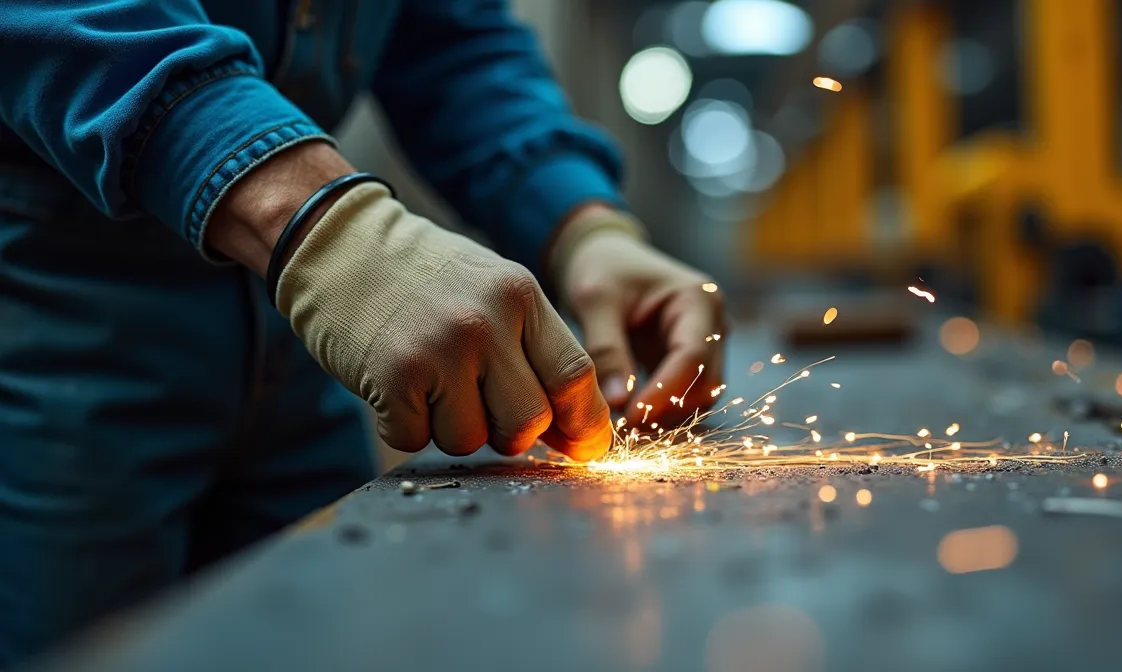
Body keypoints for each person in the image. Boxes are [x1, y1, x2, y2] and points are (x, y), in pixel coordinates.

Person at [0, 0, 726, 662]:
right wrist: (320, 223)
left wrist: (581, 224)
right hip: (60, 341)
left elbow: (449, 41)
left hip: (298, 352)